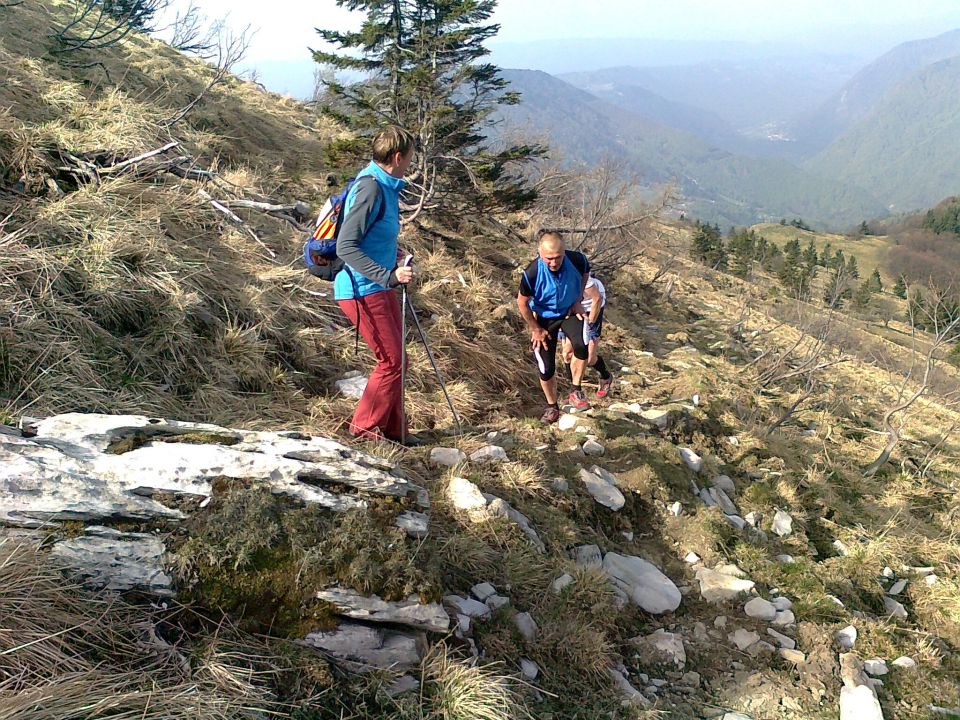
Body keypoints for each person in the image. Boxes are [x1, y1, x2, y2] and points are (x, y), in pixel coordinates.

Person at [334, 126, 417, 444]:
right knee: (391, 361)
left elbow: (370, 237)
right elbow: (346, 246)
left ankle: (396, 430)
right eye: (408, 158)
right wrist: (388, 276)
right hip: (362, 289)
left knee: (398, 360)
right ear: (397, 157)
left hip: (375, 287)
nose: (409, 163)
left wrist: (395, 255)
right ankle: (364, 428)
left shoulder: (382, 184)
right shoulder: (371, 188)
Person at [517, 231, 592, 424]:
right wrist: (535, 328)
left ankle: (576, 390)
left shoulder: (577, 260)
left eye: (558, 257)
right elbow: (522, 302)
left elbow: (585, 273)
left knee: (582, 344)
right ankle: (552, 407)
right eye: (549, 258)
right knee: (546, 367)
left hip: (568, 312)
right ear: (540, 254)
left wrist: (578, 298)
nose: (553, 262)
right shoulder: (531, 272)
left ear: (564, 252)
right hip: (544, 319)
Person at [560, 272, 613, 397]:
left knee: (588, 357)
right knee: (567, 353)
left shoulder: (580, 276)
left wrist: (590, 324)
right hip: (571, 309)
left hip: (592, 307)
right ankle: (573, 391)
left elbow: (597, 299)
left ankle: (606, 376)